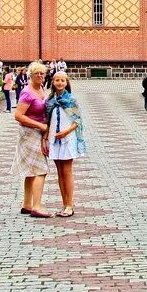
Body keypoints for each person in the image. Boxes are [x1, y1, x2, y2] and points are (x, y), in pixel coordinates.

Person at [12, 61, 51, 218]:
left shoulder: (40, 88)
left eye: (42, 73)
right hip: (29, 133)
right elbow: (18, 115)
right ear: (31, 75)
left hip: (37, 132)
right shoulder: (27, 92)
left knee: (30, 170)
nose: (40, 76)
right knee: (40, 169)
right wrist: (40, 126)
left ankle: (27, 204)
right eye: (37, 74)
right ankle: (37, 206)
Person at [45, 71, 85, 217]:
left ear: (67, 82)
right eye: (57, 80)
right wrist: (45, 139)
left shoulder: (71, 99)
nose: (60, 83)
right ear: (53, 83)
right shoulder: (50, 101)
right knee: (59, 172)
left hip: (67, 139)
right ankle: (64, 203)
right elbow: (47, 122)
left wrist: (66, 132)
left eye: (62, 80)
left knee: (67, 171)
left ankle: (70, 205)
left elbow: (77, 121)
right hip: (54, 140)